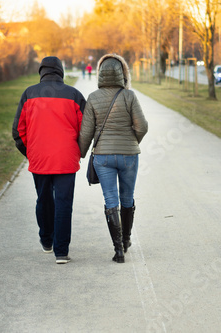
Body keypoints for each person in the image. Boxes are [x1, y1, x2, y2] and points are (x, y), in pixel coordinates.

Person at [12, 56, 86, 264]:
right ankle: (61, 252)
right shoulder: (75, 95)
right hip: (65, 159)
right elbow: (87, 129)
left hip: (40, 158)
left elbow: (18, 131)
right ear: (61, 71)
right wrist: (78, 151)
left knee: (43, 199)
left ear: (41, 71)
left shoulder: (29, 93)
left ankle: (46, 241)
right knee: (64, 203)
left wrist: (31, 152)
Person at [78, 54, 148, 263]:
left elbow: (85, 133)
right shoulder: (129, 96)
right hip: (129, 157)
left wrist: (82, 153)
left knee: (111, 201)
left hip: (103, 158)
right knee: (128, 198)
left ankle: (118, 251)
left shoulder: (93, 97)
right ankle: (126, 240)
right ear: (121, 74)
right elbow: (142, 126)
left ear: (100, 74)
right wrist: (132, 141)